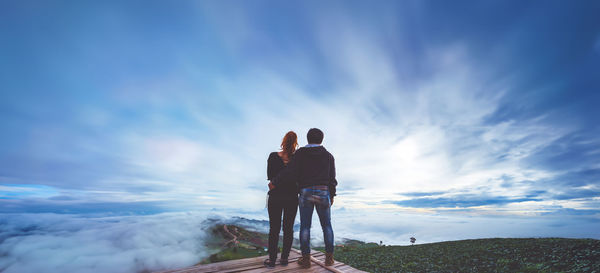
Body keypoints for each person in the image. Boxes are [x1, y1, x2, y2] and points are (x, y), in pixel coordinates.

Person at [272, 128, 337, 269]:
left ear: (308, 139)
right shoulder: (328, 156)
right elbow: (332, 178)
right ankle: (329, 259)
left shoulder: (301, 153)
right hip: (323, 191)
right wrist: (331, 195)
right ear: (321, 139)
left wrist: (275, 182)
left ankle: (306, 259)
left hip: (305, 191)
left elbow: (290, 171)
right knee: (327, 226)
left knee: (305, 226)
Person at [264, 131, 299, 268]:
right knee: (288, 228)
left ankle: (272, 260)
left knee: (274, 229)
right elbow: (299, 178)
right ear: (295, 143)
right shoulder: (297, 159)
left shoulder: (273, 156)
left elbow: (270, 176)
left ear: (283, 141)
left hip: (275, 196)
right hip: (291, 197)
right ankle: (284, 259)